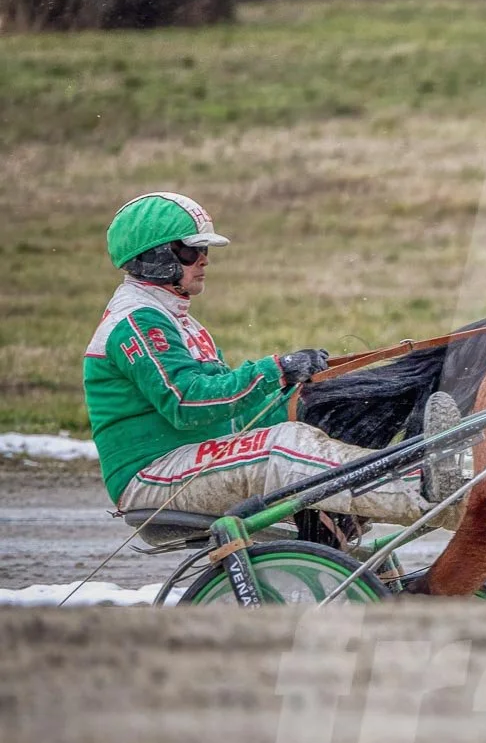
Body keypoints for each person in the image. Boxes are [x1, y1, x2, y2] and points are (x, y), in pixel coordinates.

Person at [84, 192, 461, 526]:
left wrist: (305, 395)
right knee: (283, 448)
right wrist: (275, 370)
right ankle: (423, 488)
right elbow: (189, 403)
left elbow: (225, 410)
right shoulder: (137, 322)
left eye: (205, 251)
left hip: (185, 461)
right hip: (152, 477)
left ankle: (423, 486)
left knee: (307, 423)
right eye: (191, 251)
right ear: (154, 258)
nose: (204, 260)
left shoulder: (174, 318)